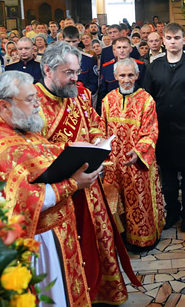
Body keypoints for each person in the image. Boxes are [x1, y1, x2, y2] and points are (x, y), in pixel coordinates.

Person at [0, 71, 136, 306]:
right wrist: (75, 183)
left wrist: (74, 147)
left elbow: (43, 153)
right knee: (53, 297)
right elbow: (28, 200)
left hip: (58, 232)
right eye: (30, 99)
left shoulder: (17, 128)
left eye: (37, 97)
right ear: (4, 104)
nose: (37, 105)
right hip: (39, 243)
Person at [33, 43, 138, 304]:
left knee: (96, 246)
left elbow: (93, 124)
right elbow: (32, 151)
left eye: (77, 72)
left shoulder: (79, 95)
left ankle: (100, 295)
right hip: (58, 195)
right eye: (69, 72)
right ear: (48, 69)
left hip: (89, 187)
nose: (75, 78)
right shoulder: (32, 101)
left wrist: (98, 145)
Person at [144, 22, 185, 232]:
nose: (173, 42)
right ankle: (173, 210)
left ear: (184, 40)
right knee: (169, 182)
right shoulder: (154, 67)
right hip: (163, 132)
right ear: (164, 41)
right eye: (169, 38)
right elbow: (147, 101)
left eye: (177, 38)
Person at [98, 58, 165, 250]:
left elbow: (151, 131)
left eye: (130, 75)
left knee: (138, 200)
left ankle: (141, 240)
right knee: (115, 201)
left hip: (137, 163)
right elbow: (101, 129)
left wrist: (138, 152)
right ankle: (120, 239)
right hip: (114, 163)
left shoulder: (146, 100)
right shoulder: (107, 100)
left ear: (137, 76)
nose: (126, 79)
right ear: (115, 76)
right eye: (122, 75)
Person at [98, 37, 145, 103]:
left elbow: (143, 89)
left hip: (134, 104)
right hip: (112, 104)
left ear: (130, 49)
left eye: (125, 47)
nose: (122, 50)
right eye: (119, 47)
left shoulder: (140, 66)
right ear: (114, 50)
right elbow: (102, 91)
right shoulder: (106, 67)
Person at [62, 25, 99, 94]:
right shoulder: (57, 60)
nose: (71, 45)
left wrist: (83, 89)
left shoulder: (88, 60)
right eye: (68, 41)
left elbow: (94, 84)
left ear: (79, 40)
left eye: (74, 41)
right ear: (63, 40)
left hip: (82, 98)